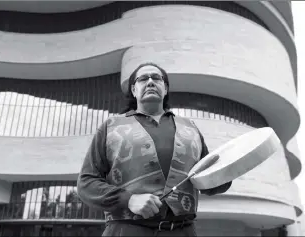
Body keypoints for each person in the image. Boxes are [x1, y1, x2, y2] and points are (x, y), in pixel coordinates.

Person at [77, 62, 232, 236]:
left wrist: (234, 167)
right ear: (134, 90)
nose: (150, 81)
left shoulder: (191, 128)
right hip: (126, 230)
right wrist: (128, 200)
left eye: (156, 78)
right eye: (143, 78)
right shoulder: (111, 127)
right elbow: (86, 183)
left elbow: (209, 183)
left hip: (183, 231)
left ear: (165, 89)